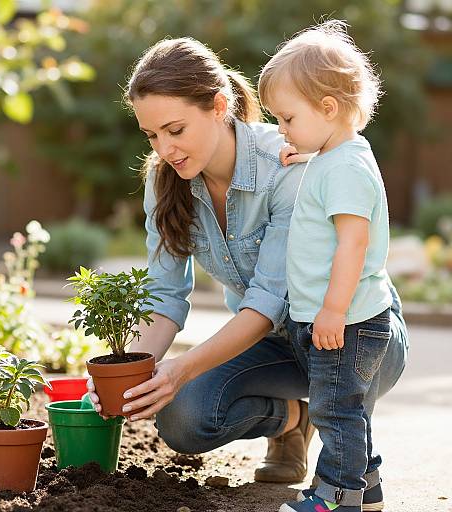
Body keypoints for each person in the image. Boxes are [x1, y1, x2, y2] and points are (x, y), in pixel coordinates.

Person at [87, 36, 408, 491]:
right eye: (151, 135)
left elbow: (267, 301)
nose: (164, 149)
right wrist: (132, 376)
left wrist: (181, 368)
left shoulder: (286, 163)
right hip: (281, 346)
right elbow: (164, 296)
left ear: (219, 106)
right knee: (182, 417)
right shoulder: (164, 182)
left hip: (348, 338)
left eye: (175, 130)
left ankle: (344, 480)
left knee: (325, 396)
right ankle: (293, 420)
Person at [258, 21, 408, 512]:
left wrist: (333, 309)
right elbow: (325, 169)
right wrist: (302, 155)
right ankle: (367, 486)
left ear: (327, 108)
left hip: (347, 320)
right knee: (343, 408)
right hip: (338, 318)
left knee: (334, 410)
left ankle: (334, 496)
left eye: (287, 118)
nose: (282, 128)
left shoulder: (344, 169)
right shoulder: (333, 156)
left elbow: (353, 244)